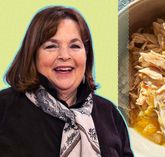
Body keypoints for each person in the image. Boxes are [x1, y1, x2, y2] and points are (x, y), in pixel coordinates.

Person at [0, 6, 133, 157]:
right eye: (51, 46)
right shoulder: (4, 107)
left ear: (86, 55)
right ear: (33, 54)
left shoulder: (110, 114)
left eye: (75, 46)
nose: (64, 55)